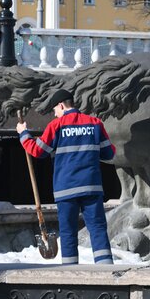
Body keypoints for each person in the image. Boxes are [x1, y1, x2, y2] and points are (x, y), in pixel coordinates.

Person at [16, 89, 115, 265]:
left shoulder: (57, 126)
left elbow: (38, 151)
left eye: (55, 110)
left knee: (68, 232)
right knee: (98, 229)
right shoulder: (95, 123)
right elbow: (109, 154)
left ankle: (70, 273)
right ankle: (107, 271)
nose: (55, 114)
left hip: (66, 189)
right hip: (92, 187)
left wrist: (23, 134)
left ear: (61, 105)